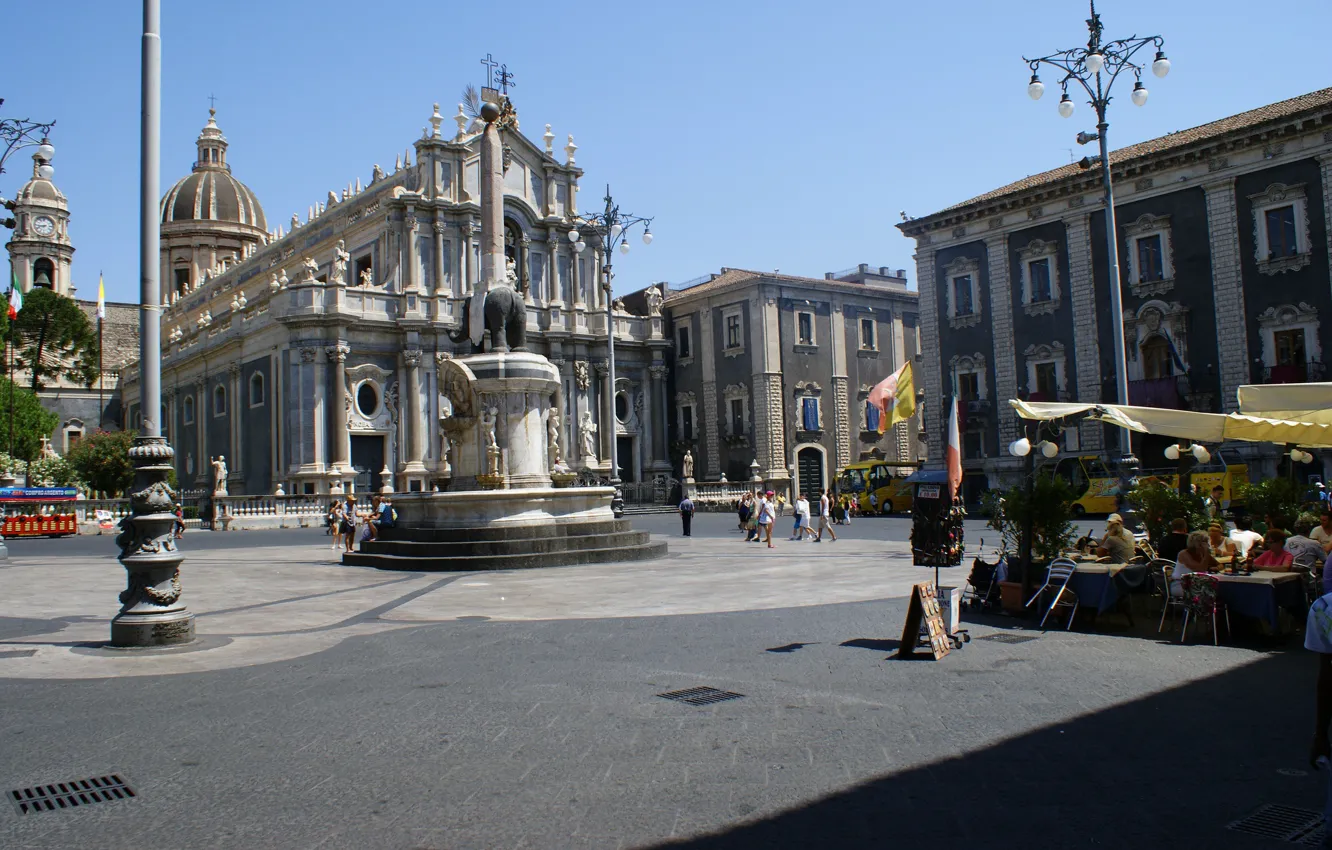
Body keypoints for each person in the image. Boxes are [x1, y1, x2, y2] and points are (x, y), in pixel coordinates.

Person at [1171, 531, 1218, 597]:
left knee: (1220, 590)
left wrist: (1214, 568)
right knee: (1212, 592)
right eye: (1205, 542)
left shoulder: (1202, 553)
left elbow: (1219, 565)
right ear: (1198, 543)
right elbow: (1200, 569)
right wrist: (1207, 553)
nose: (1208, 545)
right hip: (1181, 585)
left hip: (1198, 584)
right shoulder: (1184, 554)